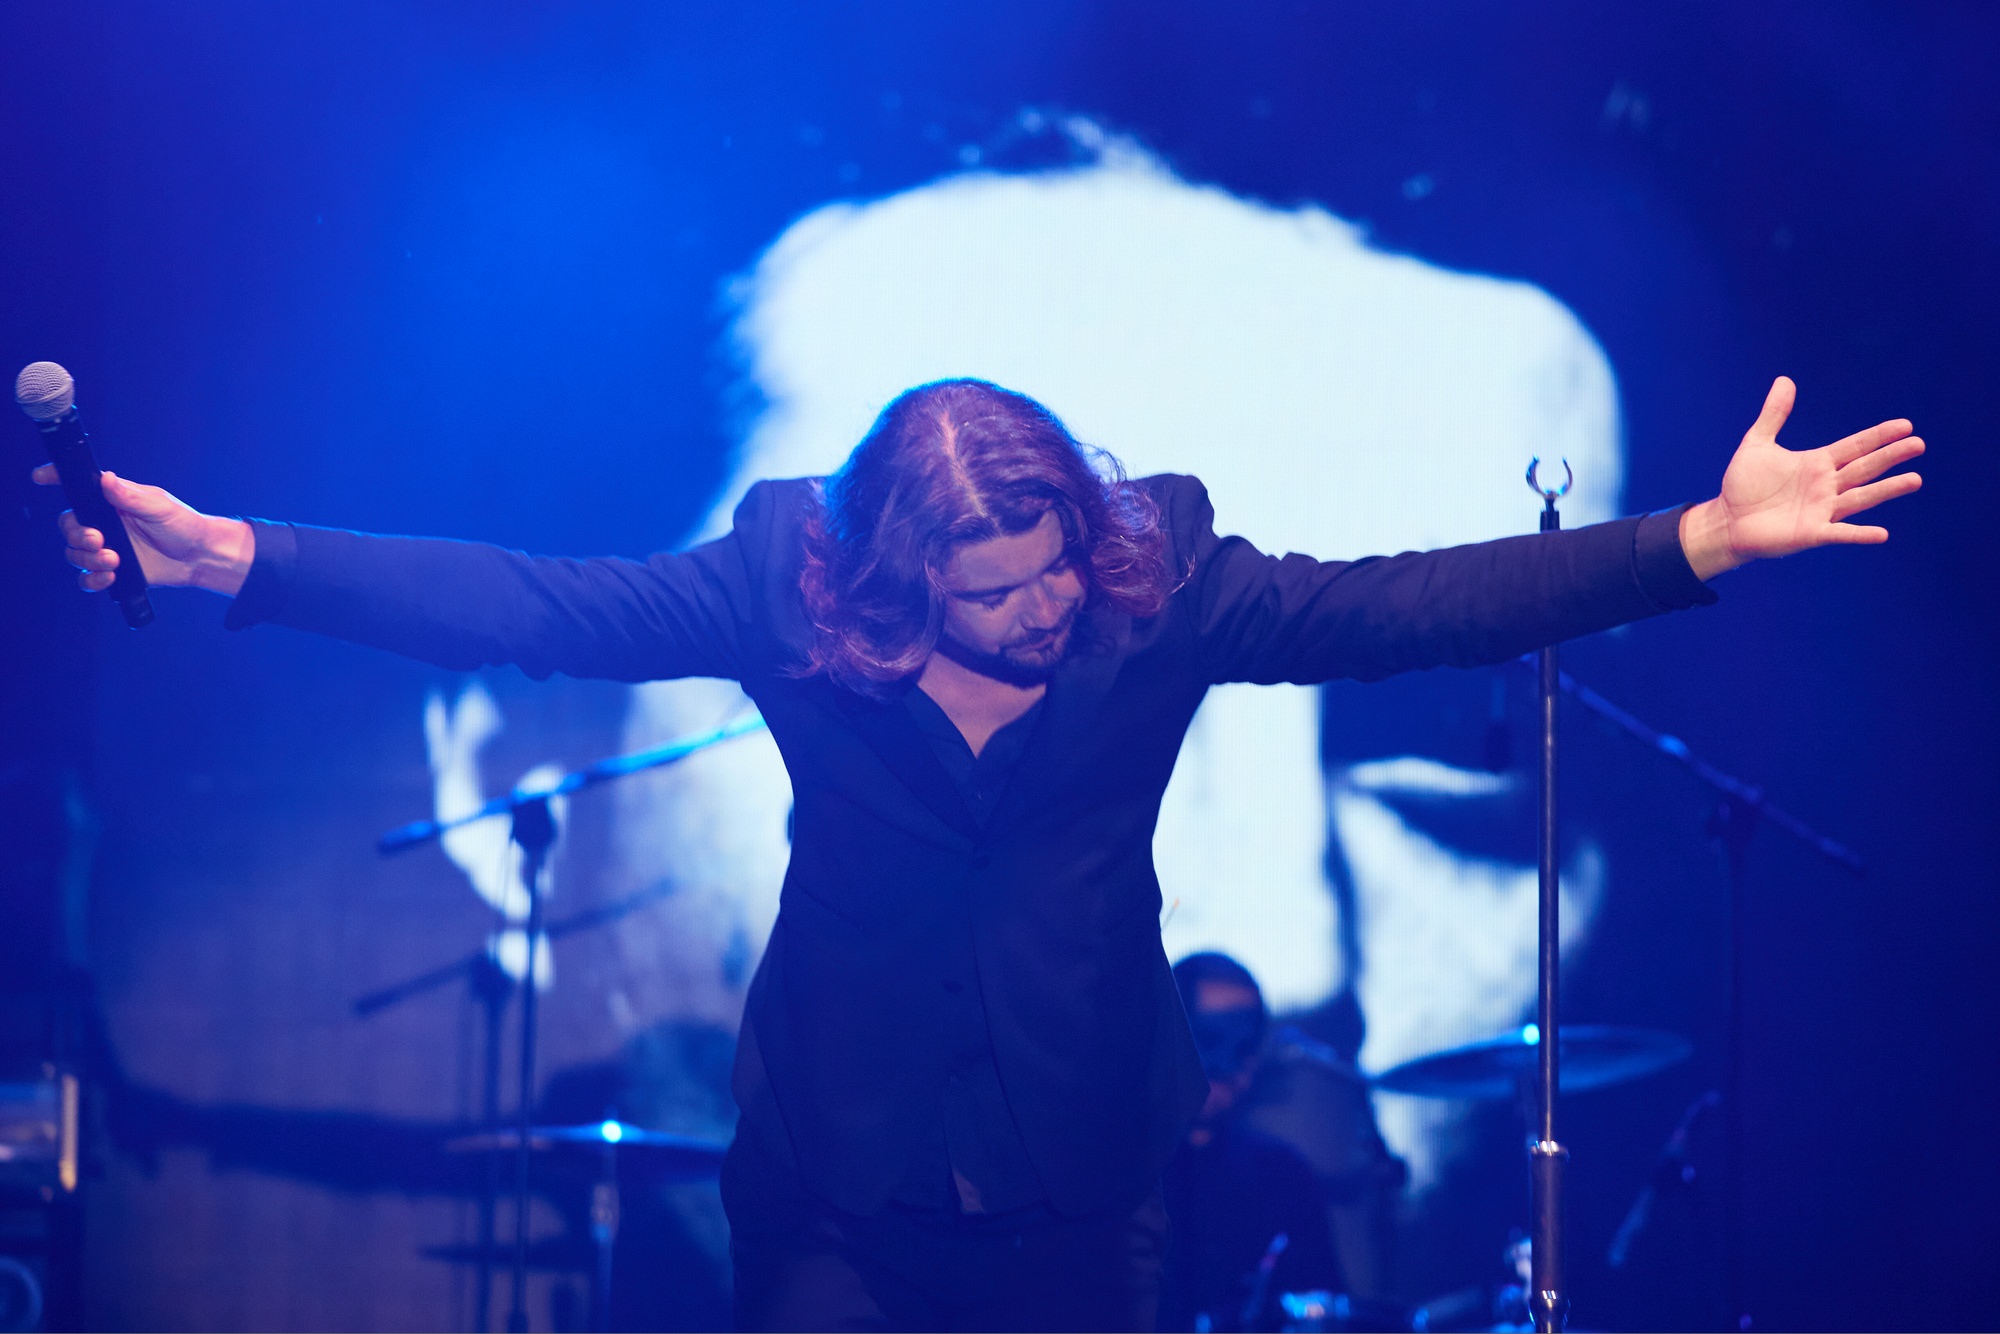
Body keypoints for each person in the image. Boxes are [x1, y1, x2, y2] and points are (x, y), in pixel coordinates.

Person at [37, 375, 1921, 1330]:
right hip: (834, 1180)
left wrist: (1693, 539)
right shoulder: (783, 581)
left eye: (1055, 574)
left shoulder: (1155, 577)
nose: (1043, 611)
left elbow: (1407, 606)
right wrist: (249, 558)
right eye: (996, 591)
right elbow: (538, 603)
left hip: (1081, 1173)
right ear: (888, 574)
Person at [1160, 953, 1343, 1333]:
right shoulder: (1112, 1179)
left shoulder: (1284, 1177)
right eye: (1206, 1036)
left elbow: (1325, 1311)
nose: (1225, 1064)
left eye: (1244, 1044)